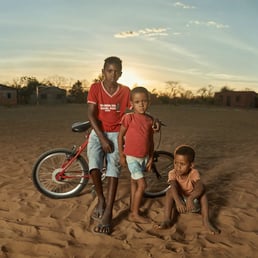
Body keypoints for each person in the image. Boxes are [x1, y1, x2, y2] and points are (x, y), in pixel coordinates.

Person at [87, 56, 131, 235]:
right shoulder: (95, 88)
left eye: (116, 71)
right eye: (109, 71)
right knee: (94, 168)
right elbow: (91, 114)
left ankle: (108, 212)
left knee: (113, 170)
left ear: (121, 73)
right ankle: (101, 198)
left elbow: (135, 109)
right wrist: (102, 138)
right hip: (98, 132)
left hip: (117, 133)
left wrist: (152, 118)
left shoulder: (125, 91)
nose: (113, 74)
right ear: (103, 71)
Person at [155, 145, 220, 234]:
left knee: (203, 191)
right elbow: (173, 186)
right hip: (180, 204)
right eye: (175, 163)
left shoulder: (193, 172)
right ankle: (167, 219)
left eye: (182, 164)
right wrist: (178, 202)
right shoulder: (172, 173)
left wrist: (191, 198)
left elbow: (200, 186)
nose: (178, 167)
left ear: (191, 165)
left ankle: (206, 221)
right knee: (170, 191)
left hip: (192, 204)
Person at [118, 86, 155, 224]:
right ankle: (135, 213)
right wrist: (122, 155)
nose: (141, 104)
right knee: (142, 185)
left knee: (134, 182)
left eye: (144, 101)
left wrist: (150, 158)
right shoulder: (129, 118)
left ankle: (132, 207)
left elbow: (151, 141)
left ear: (149, 102)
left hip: (144, 157)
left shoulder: (150, 120)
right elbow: (120, 136)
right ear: (131, 104)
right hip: (132, 157)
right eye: (137, 101)